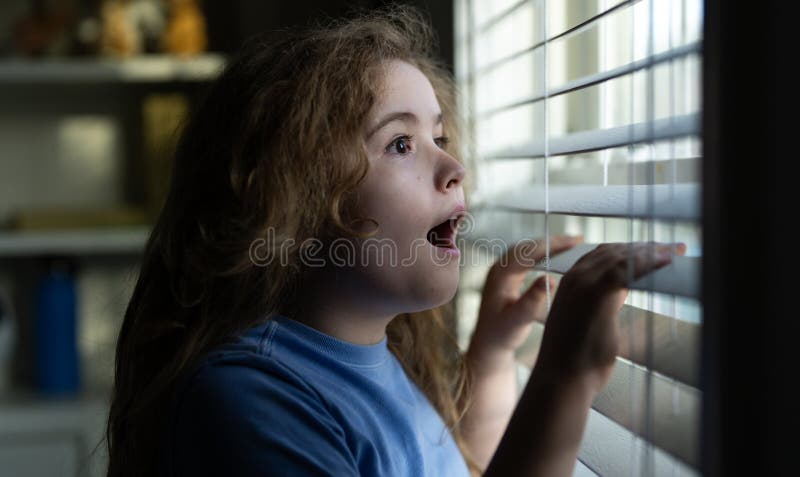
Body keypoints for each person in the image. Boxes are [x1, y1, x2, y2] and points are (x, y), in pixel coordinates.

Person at [106, 6, 684, 477]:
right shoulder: (251, 400)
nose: (454, 165)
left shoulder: (379, 364)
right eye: (401, 144)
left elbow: (456, 468)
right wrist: (565, 379)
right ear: (289, 198)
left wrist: (491, 355)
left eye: (439, 135)